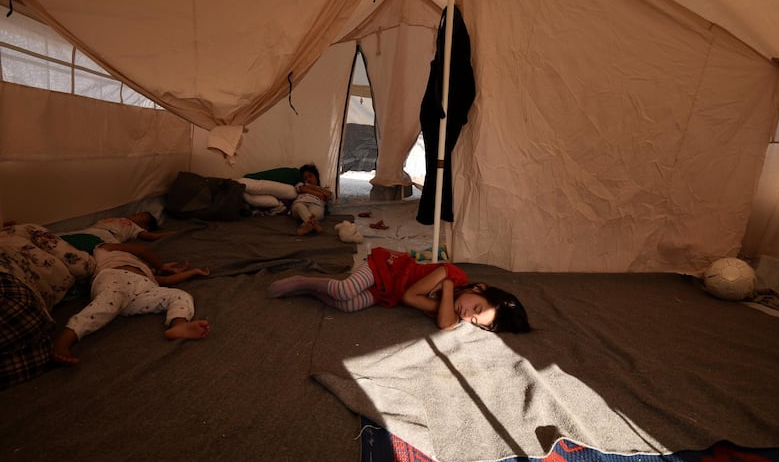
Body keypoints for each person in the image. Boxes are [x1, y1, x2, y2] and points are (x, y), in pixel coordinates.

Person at [267, 247, 531, 333]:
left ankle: (311, 291)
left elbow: (446, 324)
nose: (466, 314)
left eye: (473, 320)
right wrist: (449, 283)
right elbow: (410, 296)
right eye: (477, 307)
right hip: (388, 268)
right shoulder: (454, 274)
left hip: (388, 293)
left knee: (346, 305)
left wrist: (448, 297)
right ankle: (303, 281)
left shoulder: (448, 306)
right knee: (346, 289)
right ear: (481, 288)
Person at [51, 242, 211, 365]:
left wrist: (193, 272)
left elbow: (166, 280)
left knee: (179, 295)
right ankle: (64, 341)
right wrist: (160, 265)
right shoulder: (104, 248)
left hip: (145, 287)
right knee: (105, 304)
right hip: (116, 277)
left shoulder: (142, 266)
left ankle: (178, 325)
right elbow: (142, 250)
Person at [59, 211, 174, 253]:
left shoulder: (135, 227)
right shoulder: (122, 218)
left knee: (106, 250)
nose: (137, 213)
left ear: (145, 226)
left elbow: (151, 237)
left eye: (142, 215)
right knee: (61, 237)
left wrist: (172, 233)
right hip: (93, 229)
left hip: (109, 235)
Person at [291, 164, 332, 236]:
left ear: (316, 177)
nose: (308, 180)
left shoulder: (324, 188)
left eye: (310, 176)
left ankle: (306, 227)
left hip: (317, 204)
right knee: (299, 206)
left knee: (315, 213)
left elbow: (329, 195)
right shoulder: (300, 184)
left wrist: (312, 187)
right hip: (300, 203)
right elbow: (302, 188)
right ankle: (314, 225)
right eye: (305, 178)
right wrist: (320, 194)